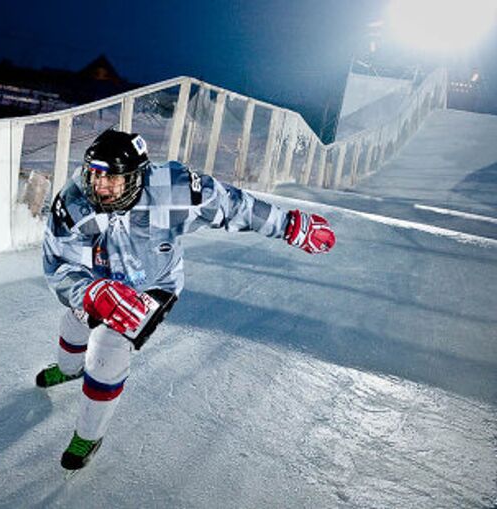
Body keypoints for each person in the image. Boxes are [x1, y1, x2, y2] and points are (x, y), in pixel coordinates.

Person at [37, 129, 335, 470]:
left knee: (106, 346)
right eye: (95, 175)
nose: (99, 187)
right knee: (73, 322)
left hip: (154, 285)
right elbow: (58, 263)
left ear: (135, 177)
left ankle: (88, 435)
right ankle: (68, 369)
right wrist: (89, 291)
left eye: (111, 179)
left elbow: (230, 204)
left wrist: (287, 224)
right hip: (99, 280)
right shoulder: (75, 199)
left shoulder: (174, 188)